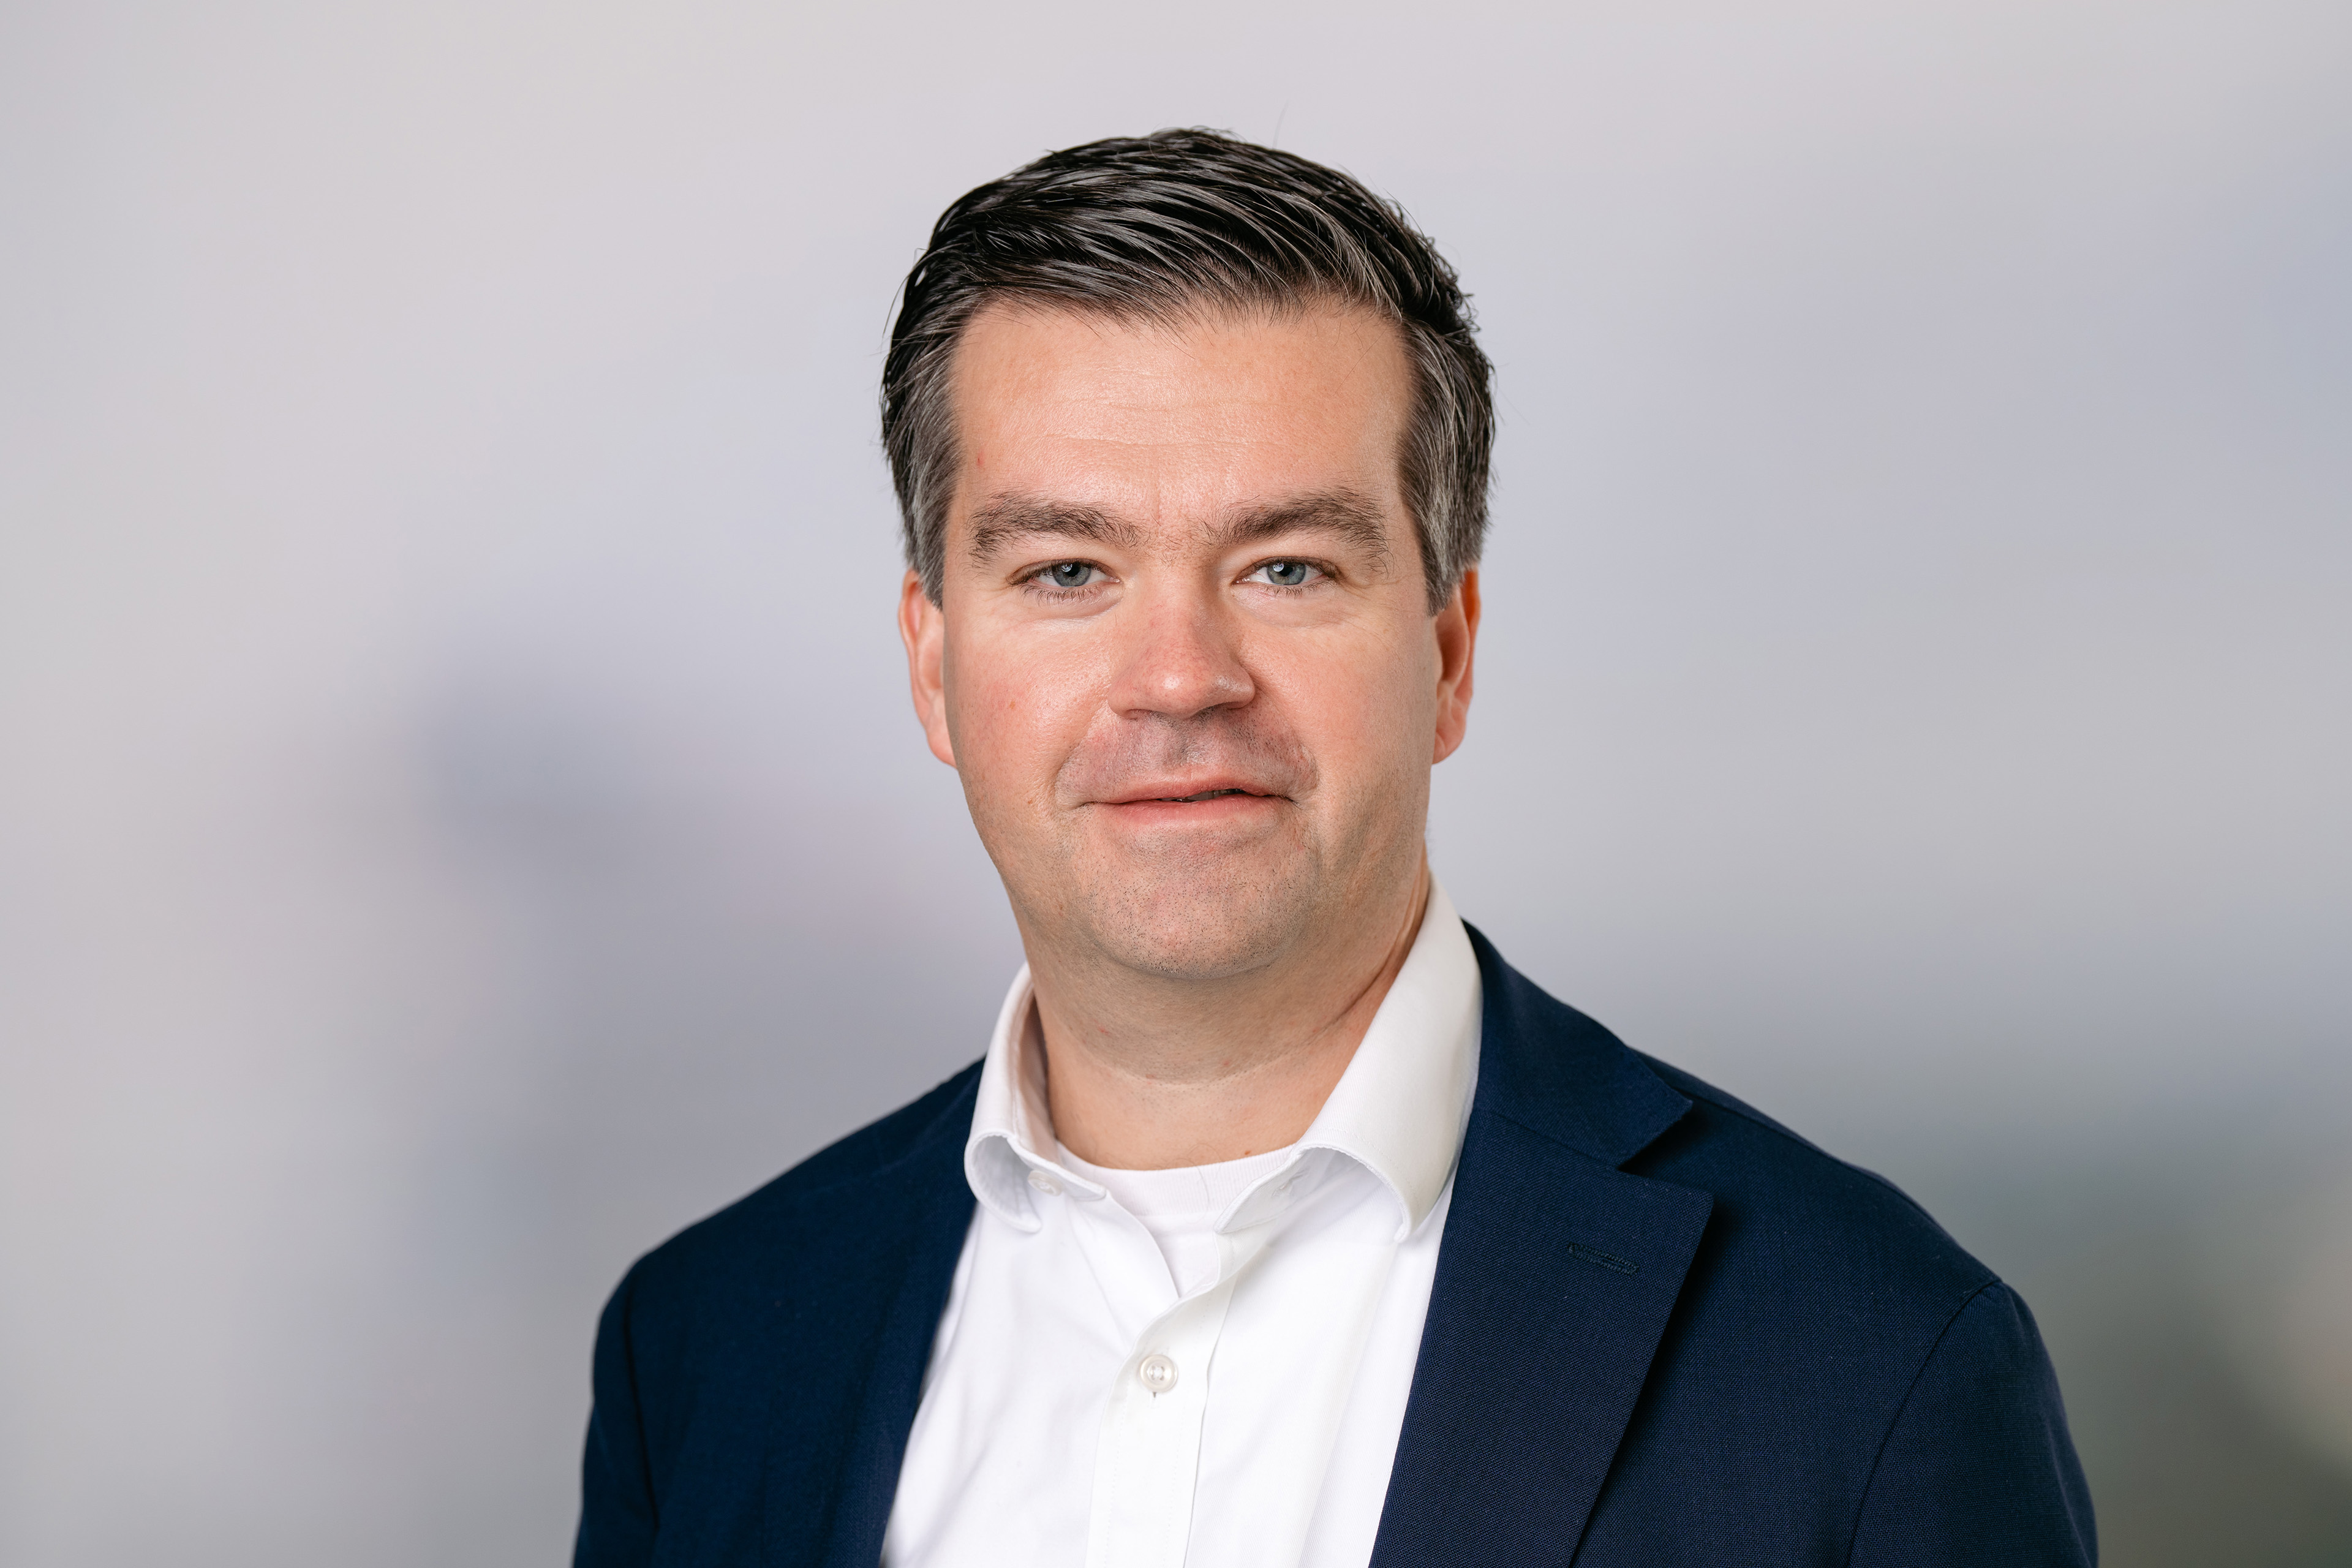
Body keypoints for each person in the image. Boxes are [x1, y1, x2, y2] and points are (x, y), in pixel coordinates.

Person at [573, 129, 2095, 1568]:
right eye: (1068, 569)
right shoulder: (704, 1344)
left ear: (1449, 650)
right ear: (933, 664)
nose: (1181, 678)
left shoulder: (1873, 1361)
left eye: (1288, 567)